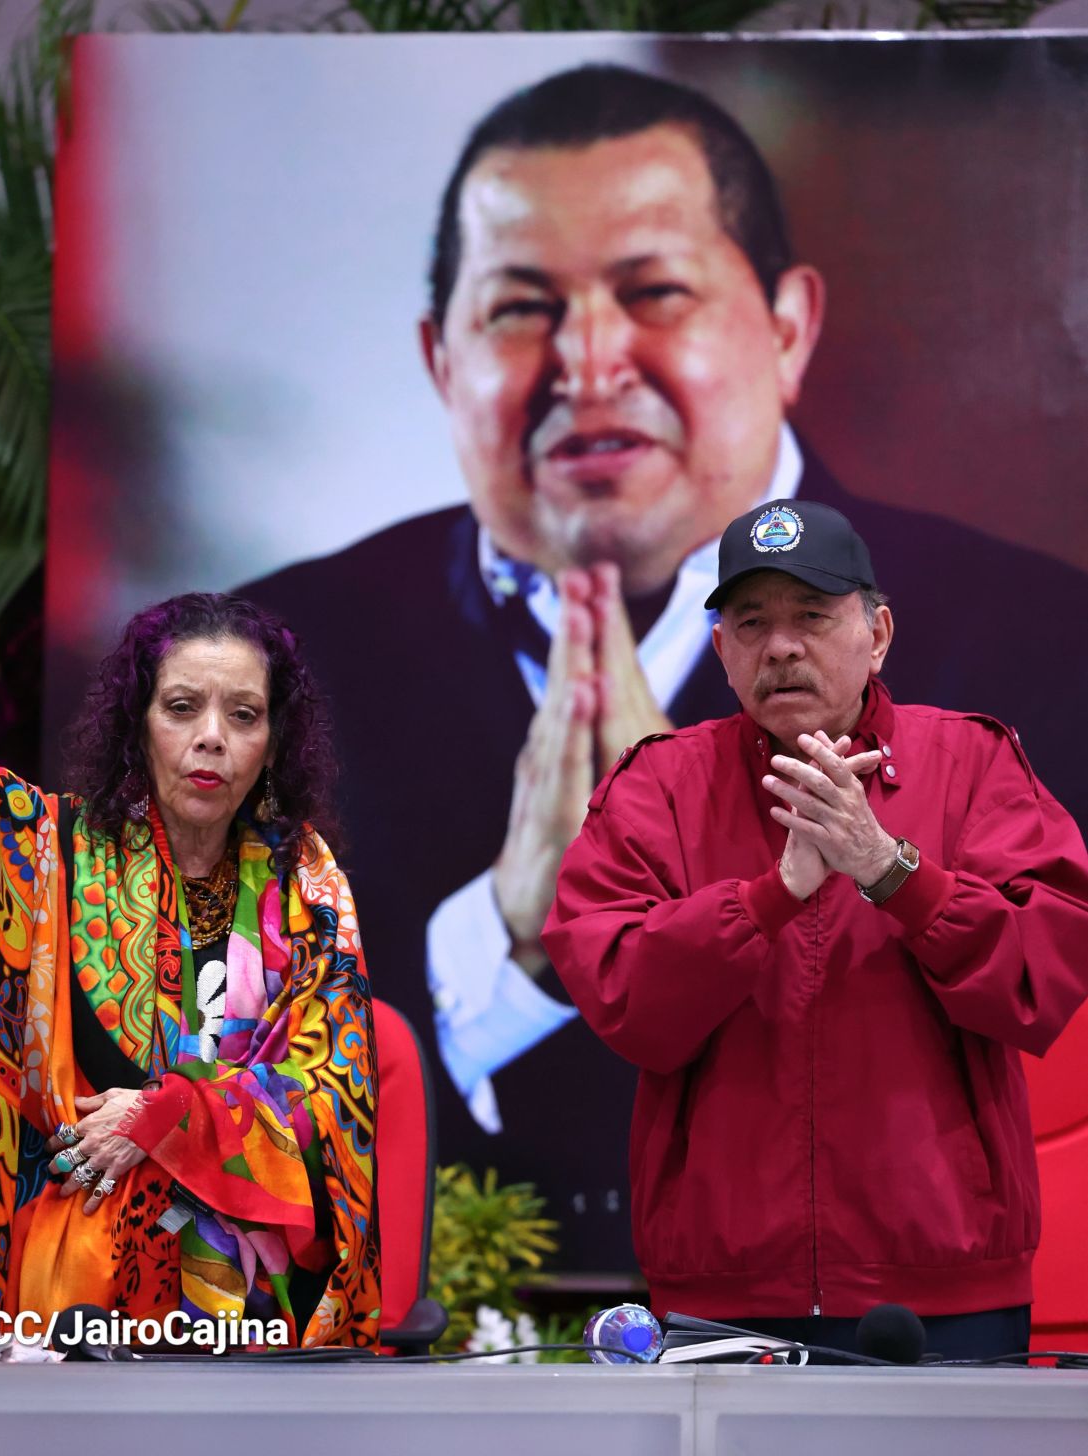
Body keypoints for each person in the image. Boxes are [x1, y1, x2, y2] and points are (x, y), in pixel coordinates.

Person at [242, 63, 1088, 1268]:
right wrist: (501, 948)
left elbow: (1039, 989)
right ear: (440, 358)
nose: (589, 361)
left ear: (787, 327)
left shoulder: (1041, 641)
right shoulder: (275, 653)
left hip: (903, 1282)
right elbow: (216, 1050)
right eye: (521, 307)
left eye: (654, 292)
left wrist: (881, 872)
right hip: (431, 1300)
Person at [542, 497, 1088, 1360]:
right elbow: (623, 999)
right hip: (724, 1290)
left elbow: (1040, 979)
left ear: (877, 635)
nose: (780, 646)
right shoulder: (658, 786)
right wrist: (772, 896)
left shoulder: (972, 765)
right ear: (721, 651)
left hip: (942, 1286)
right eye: (751, 623)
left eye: (811, 616)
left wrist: (889, 870)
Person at [0, 491, 379, 1348]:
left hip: (249, 1318)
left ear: (273, 744)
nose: (211, 737)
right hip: (56, 1299)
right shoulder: (46, 850)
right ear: (137, 727)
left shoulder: (304, 885)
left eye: (243, 715)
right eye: (181, 707)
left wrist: (171, 1114)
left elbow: (335, 1097)